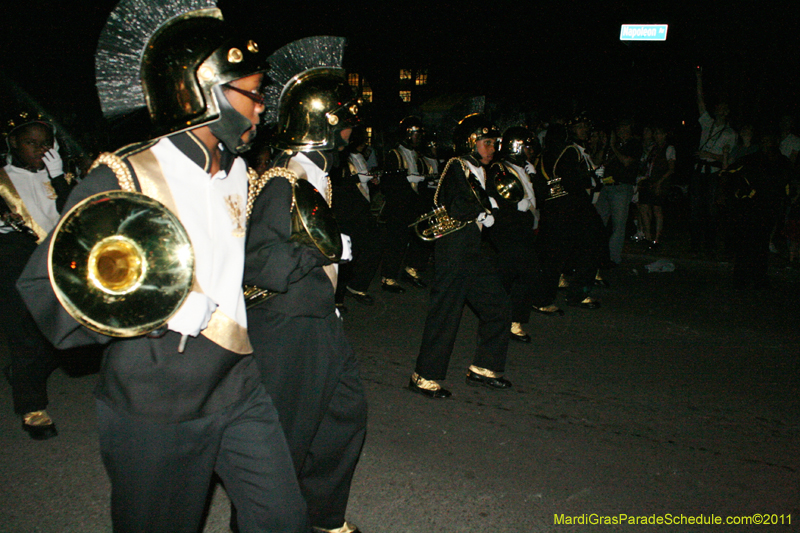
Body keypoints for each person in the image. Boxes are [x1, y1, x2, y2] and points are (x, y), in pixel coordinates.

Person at [17, 1, 308, 531]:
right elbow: (44, 284)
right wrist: (158, 305)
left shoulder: (240, 172)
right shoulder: (127, 176)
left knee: (284, 518)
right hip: (156, 403)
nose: (263, 107)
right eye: (254, 93)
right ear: (207, 93)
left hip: (239, 384)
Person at [243, 36, 368, 533]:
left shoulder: (315, 177)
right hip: (288, 325)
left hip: (320, 319)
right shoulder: (282, 181)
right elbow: (260, 265)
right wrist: (322, 249)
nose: (352, 132)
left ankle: (321, 515)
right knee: (285, 439)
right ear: (324, 125)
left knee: (345, 414)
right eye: (345, 121)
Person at [409, 113, 512, 399]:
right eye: (487, 142)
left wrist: (491, 204)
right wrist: (479, 210)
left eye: (495, 143)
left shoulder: (480, 169)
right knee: (446, 313)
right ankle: (424, 377)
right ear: (470, 141)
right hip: (454, 249)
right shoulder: (457, 165)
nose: (492, 149)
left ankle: (485, 367)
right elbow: (450, 201)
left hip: (472, 249)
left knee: (498, 304)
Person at [1, 117, 74, 439]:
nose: (40, 150)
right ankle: (32, 408)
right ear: (15, 143)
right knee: (26, 334)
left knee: (64, 329)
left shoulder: (57, 174)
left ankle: (19, 374)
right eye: (32, 143)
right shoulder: (3, 180)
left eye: (46, 143)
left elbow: (75, 210)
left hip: (54, 258)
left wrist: (59, 177)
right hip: (15, 261)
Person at [531, 121, 604, 310]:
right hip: (571, 207)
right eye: (580, 127)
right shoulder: (570, 151)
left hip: (559, 208)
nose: (585, 130)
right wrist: (591, 179)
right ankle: (568, 295)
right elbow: (571, 181)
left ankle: (546, 297)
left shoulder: (547, 154)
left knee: (556, 254)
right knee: (580, 249)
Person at [486, 126, 539, 343]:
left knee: (517, 276)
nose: (530, 151)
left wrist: (534, 177)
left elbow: (536, 197)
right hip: (508, 230)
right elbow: (494, 197)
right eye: (526, 147)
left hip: (523, 230)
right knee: (519, 275)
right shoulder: (500, 168)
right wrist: (515, 207)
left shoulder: (523, 167)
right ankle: (508, 321)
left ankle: (506, 320)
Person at [334, 126, 382, 308]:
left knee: (372, 246)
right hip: (346, 213)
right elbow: (339, 184)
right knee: (345, 255)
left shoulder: (359, 157)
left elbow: (364, 179)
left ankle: (356, 286)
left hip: (362, 210)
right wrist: (358, 179)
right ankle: (337, 298)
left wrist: (371, 179)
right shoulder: (339, 159)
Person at [380, 116, 429, 293]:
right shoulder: (395, 154)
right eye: (417, 134)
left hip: (414, 204)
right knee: (396, 241)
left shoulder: (416, 155)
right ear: (407, 135)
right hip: (399, 205)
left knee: (421, 236)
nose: (419, 138)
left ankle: (411, 269)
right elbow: (387, 182)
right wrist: (406, 179)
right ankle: (388, 277)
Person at [692, 67, 737, 256]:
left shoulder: (730, 133)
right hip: (698, 170)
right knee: (695, 208)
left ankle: (709, 246)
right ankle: (695, 245)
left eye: (723, 108)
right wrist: (699, 79)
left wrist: (712, 156)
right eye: (718, 107)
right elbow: (700, 100)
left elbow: (731, 158)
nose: (719, 110)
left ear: (727, 112)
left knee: (711, 210)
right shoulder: (707, 123)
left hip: (713, 173)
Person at [595, 118, 642, 266]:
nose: (620, 130)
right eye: (618, 127)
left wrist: (614, 148)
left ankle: (613, 258)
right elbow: (597, 162)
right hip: (606, 185)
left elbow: (627, 162)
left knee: (618, 225)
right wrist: (605, 146)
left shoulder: (634, 144)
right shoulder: (613, 145)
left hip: (621, 187)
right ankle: (597, 254)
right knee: (598, 221)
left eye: (623, 126)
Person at [638, 125, 676, 249]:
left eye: (659, 133)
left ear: (664, 135)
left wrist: (660, 182)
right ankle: (648, 237)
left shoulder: (669, 148)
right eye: (655, 134)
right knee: (644, 207)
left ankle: (657, 239)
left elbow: (671, 169)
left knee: (657, 210)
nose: (656, 136)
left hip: (659, 182)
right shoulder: (653, 148)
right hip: (648, 181)